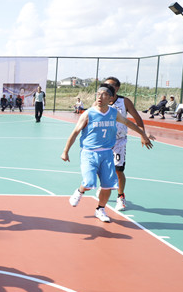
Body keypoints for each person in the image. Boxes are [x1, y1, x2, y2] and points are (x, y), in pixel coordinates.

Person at [61, 84, 153, 223]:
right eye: (98, 94)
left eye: (103, 94)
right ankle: (80, 191)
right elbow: (75, 133)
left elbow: (129, 123)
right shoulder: (89, 114)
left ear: (110, 98)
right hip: (89, 153)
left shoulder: (113, 113)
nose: (100, 97)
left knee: (107, 185)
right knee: (89, 182)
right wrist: (65, 151)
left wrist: (143, 134)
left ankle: (100, 209)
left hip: (107, 153)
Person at [105, 77, 152, 211]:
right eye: (105, 85)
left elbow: (137, 118)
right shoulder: (101, 101)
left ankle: (120, 196)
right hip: (103, 141)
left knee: (118, 170)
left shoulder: (124, 101)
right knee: (100, 168)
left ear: (117, 88)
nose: (107, 88)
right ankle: (105, 187)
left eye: (110, 86)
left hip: (119, 141)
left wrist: (143, 134)